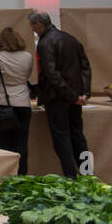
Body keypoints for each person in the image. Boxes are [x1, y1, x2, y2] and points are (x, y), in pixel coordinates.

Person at [29, 11, 92, 177]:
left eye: (33, 26)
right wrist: (83, 93)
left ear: (39, 24)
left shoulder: (45, 43)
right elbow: (85, 67)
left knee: (61, 139)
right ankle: (88, 173)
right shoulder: (71, 38)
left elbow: (52, 74)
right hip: (75, 97)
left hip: (57, 97)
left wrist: (72, 95)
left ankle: (70, 177)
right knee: (78, 136)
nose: (33, 30)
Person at [0, 28, 34, 175]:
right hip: (24, 103)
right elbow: (26, 77)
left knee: (4, 143)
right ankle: (22, 175)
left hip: (3, 103)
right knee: (22, 142)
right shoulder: (28, 56)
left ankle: (5, 176)